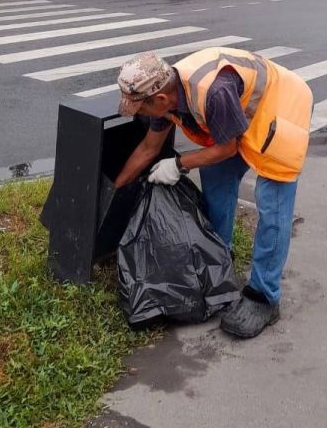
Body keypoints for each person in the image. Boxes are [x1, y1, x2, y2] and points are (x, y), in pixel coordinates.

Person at [114, 47, 313, 339]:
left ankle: (264, 297)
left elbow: (228, 147)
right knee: (216, 175)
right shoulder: (167, 95)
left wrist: (179, 164)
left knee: (273, 200)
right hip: (239, 112)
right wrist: (114, 192)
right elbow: (148, 148)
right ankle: (218, 255)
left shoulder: (212, 92)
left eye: (140, 109)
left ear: (159, 100)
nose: (140, 115)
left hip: (280, 107)